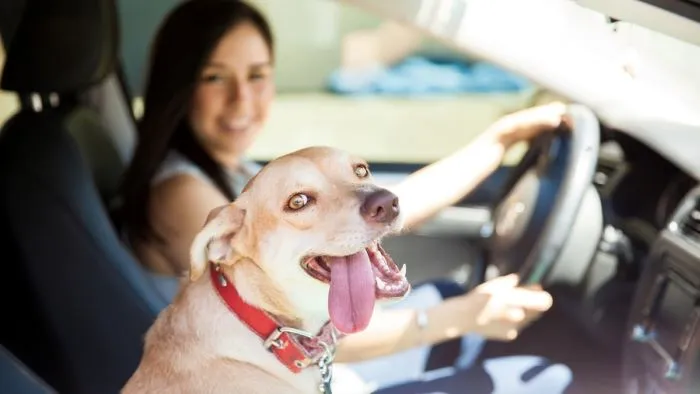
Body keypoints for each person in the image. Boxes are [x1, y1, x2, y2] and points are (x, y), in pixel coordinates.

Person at [117, 0, 573, 392]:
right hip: (288, 367)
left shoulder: (239, 171)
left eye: (257, 74)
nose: (243, 98)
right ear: (180, 86)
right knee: (542, 377)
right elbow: (307, 334)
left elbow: (388, 204)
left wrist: (498, 140)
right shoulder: (181, 193)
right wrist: (464, 316)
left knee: (458, 300)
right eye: (215, 77)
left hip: (305, 361)